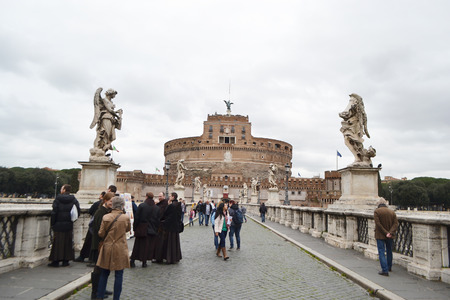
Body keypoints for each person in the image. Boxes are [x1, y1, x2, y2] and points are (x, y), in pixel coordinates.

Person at [96, 196, 131, 300]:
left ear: (112, 205)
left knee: (104, 273)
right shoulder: (126, 217)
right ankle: (116, 298)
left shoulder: (106, 217)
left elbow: (101, 233)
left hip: (107, 247)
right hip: (120, 247)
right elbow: (128, 229)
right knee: (119, 274)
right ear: (122, 206)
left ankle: (100, 296)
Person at [48, 184, 80, 267]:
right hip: (68, 224)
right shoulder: (73, 199)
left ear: (64, 190)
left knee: (57, 243)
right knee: (67, 242)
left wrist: (53, 223)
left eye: (62, 188)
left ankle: (56, 261)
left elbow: (54, 212)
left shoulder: (58, 199)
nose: (60, 190)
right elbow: (77, 211)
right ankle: (66, 260)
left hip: (58, 224)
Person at [90, 192, 114, 298]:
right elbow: (100, 230)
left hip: (103, 244)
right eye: (110, 201)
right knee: (98, 269)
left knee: (104, 268)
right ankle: (95, 293)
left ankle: (101, 289)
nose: (112, 203)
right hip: (99, 244)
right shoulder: (101, 212)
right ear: (105, 200)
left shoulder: (106, 211)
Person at [130, 192, 160, 268]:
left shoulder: (142, 206)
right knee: (147, 246)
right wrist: (155, 229)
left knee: (137, 246)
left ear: (146, 197)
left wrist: (134, 228)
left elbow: (137, 218)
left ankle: (132, 261)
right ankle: (144, 262)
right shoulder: (156, 208)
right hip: (151, 229)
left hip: (141, 229)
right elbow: (157, 220)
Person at [75, 191, 105, 263]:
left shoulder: (97, 204)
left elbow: (90, 211)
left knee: (89, 242)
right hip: (101, 228)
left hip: (94, 226)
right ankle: (93, 258)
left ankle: (83, 256)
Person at [374, 198, 398, 276]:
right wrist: (390, 233)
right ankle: (389, 267)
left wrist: (385, 232)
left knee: (381, 251)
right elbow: (395, 224)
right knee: (389, 251)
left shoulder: (377, 211)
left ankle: (384, 270)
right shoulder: (392, 212)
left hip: (380, 235)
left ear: (378, 204)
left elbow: (378, 224)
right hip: (390, 235)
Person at [162, 192, 183, 264]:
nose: (169, 197)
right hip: (176, 226)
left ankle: (170, 258)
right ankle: (175, 257)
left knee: (170, 243)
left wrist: (168, 205)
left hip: (170, 227)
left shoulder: (172, 205)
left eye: (170, 196)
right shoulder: (179, 205)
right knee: (175, 243)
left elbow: (166, 214)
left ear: (173, 197)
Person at [154, 192, 169, 263]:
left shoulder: (164, 204)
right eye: (158, 196)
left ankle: (159, 258)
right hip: (160, 225)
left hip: (162, 226)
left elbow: (160, 214)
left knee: (160, 242)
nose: (159, 197)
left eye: (160, 196)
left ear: (164, 196)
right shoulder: (161, 204)